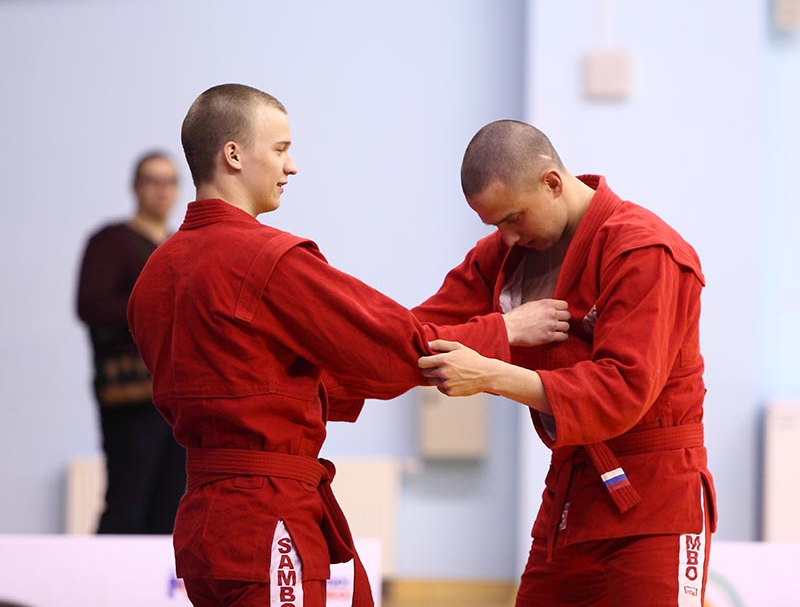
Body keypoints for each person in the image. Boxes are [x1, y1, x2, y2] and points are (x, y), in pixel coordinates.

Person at [126, 84, 562, 607]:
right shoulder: (266, 260)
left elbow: (272, 380)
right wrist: (503, 330)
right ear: (233, 155)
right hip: (268, 514)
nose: (291, 168)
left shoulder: (156, 274)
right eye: (281, 149)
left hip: (202, 520)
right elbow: (386, 345)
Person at [415, 120, 716, 607]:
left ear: (552, 183)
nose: (507, 238)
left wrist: (492, 372)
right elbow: (421, 333)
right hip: (571, 500)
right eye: (495, 226)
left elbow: (621, 388)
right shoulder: (506, 255)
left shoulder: (645, 250)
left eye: (513, 218)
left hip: (656, 500)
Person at [76, 150, 186, 535]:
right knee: (128, 496)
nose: (161, 190)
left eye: (169, 182)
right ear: (136, 187)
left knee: (172, 500)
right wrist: (161, 305)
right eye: (152, 181)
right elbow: (91, 305)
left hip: (177, 395)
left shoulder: (180, 245)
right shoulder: (111, 242)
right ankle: (103, 590)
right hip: (130, 393)